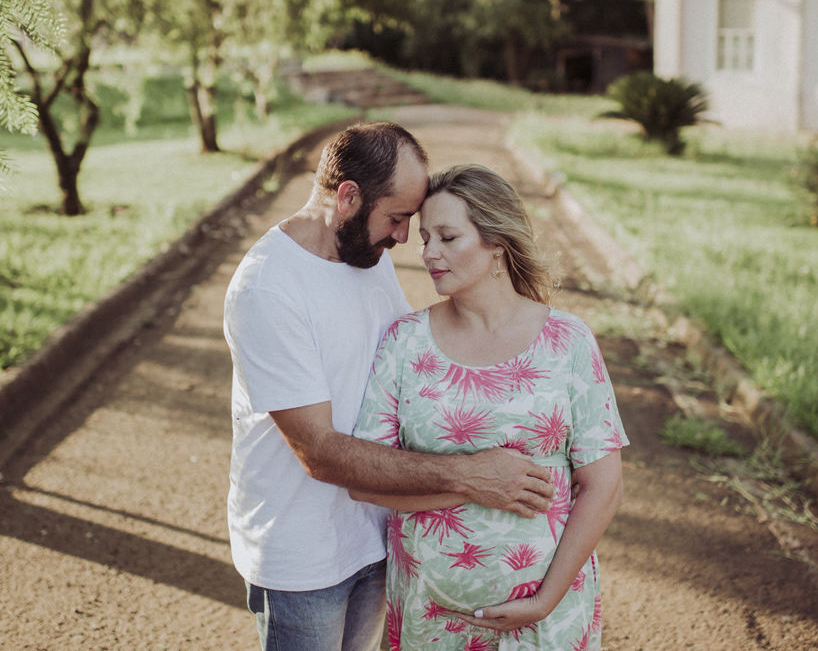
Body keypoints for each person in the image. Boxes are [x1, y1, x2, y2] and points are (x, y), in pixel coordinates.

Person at [224, 123, 555, 651]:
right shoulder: (269, 287)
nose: (404, 238)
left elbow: (411, 369)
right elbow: (320, 453)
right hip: (302, 553)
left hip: (378, 535)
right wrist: (472, 476)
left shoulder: (364, 254)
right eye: (397, 217)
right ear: (348, 197)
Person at [351, 163, 629, 651]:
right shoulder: (404, 342)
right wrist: (474, 481)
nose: (428, 253)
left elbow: (603, 486)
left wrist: (544, 601)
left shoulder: (568, 341)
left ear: (496, 241)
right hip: (431, 615)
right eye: (425, 238)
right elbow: (365, 479)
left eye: (447, 237)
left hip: (547, 620)